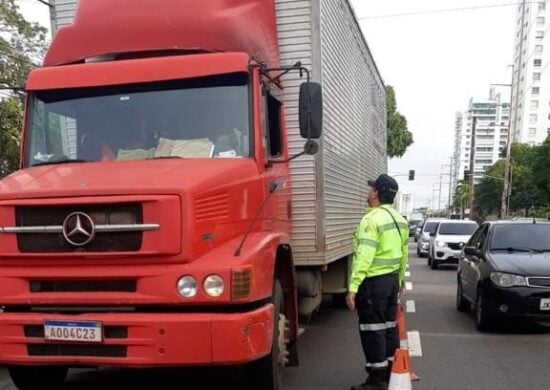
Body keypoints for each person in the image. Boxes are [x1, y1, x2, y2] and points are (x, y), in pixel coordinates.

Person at [346, 174, 409, 390]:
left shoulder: (371, 220)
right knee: (389, 327)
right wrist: (400, 280)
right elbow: (404, 253)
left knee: (372, 329)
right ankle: (391, 373)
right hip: (391, 281)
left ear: (376, 194)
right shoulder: (400, 220)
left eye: (371, 188)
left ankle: (377, 379)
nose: (369, 191)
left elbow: (364, 255)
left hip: (373, 282)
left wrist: (353, 287)